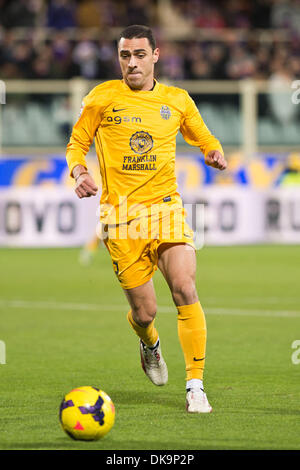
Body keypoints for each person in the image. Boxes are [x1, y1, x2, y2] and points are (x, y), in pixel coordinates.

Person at [66, 25, 227, 413]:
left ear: (156, 55)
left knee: (185, 288)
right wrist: (80, 172)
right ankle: (149, 342)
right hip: (121, 219)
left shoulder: (177, 100)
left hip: (166, 209)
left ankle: (195, 385)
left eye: (139, 54)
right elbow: (77, 143)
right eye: (125, 55)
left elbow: (205, 137)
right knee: (145, 312)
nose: (132, 62)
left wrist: (214, 151)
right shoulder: (102, 97)